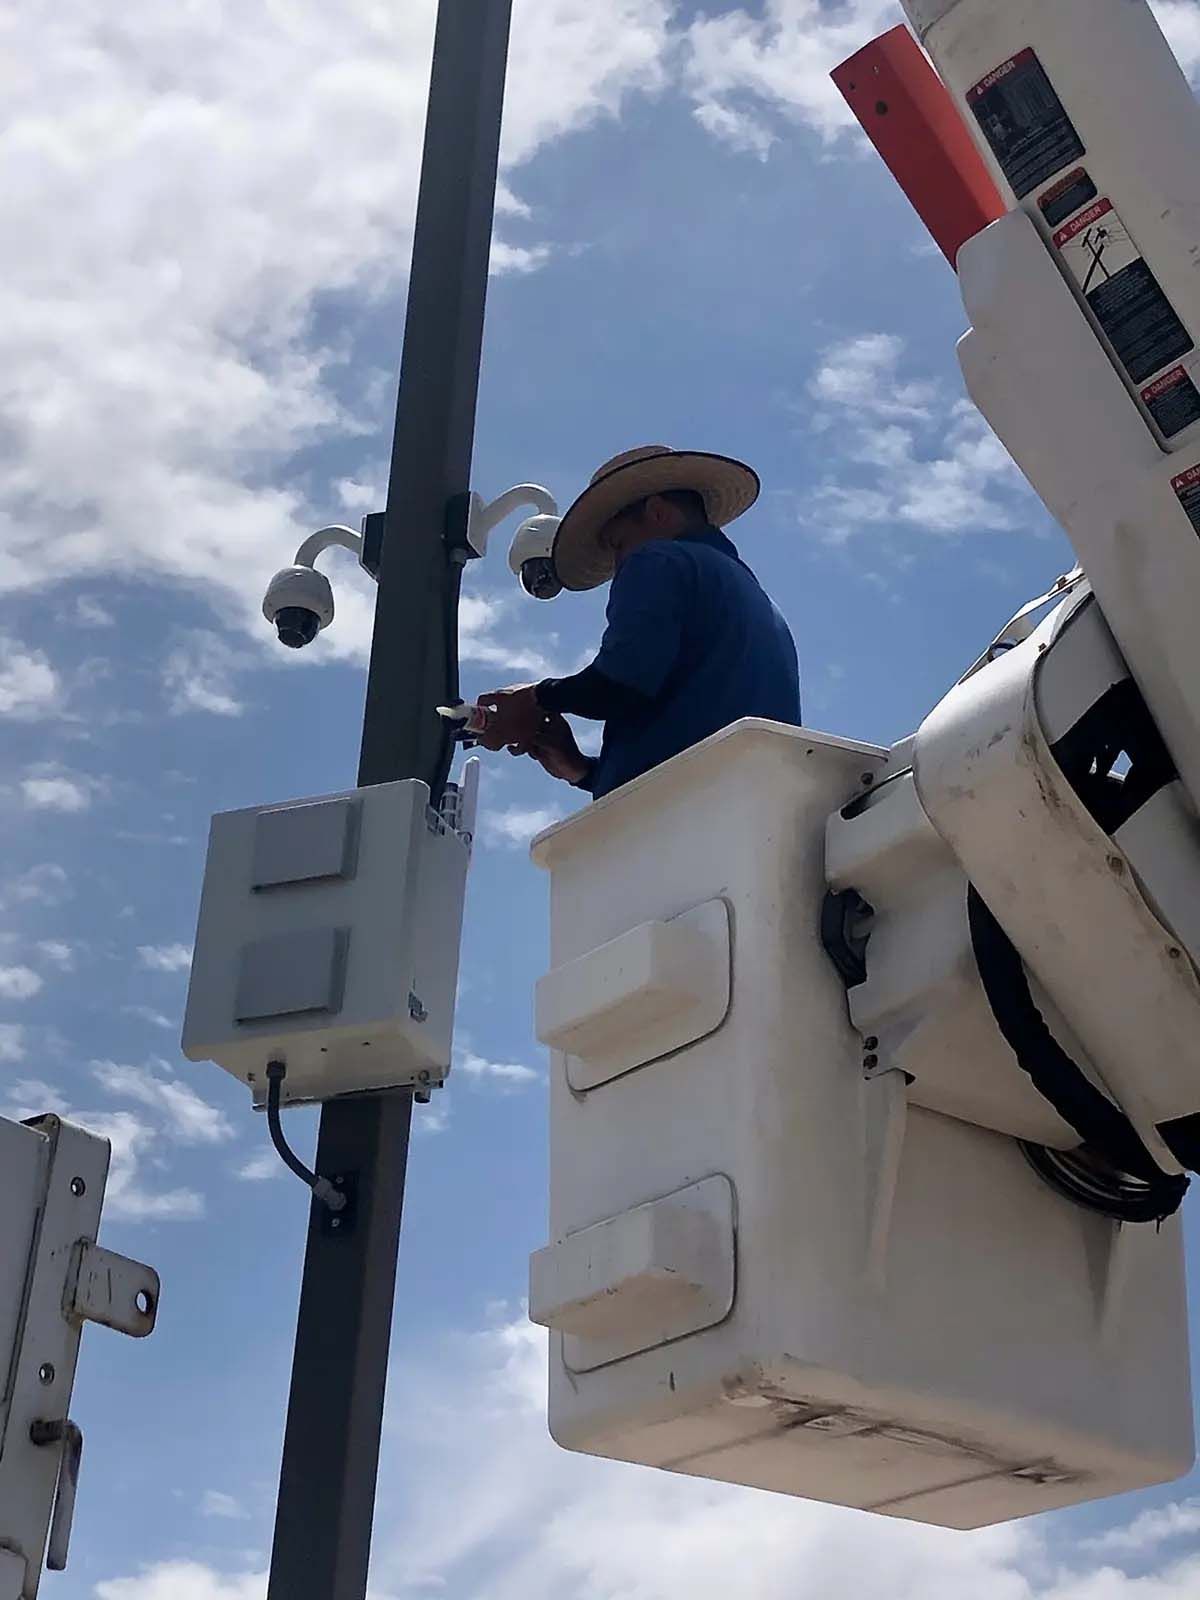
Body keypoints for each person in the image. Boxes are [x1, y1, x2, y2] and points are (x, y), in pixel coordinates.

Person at [476, 444, 801, 800]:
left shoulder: (659, 558)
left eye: (617, 544)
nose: (618, 566)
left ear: (658, 513)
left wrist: (536, 697)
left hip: (681, 815)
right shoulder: (753, 598)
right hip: (749, 809)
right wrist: (580, 770)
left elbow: (620, 686)